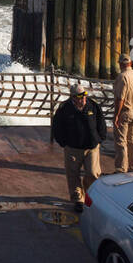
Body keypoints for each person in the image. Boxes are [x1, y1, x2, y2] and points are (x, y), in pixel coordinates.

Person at [50, 83, 106, 211]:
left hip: (91, 147)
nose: (83, 99)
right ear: (73, 97)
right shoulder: (64, 108)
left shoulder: (93, 105)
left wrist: (100, 138)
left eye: (84, 95)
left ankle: (90, 196)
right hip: (73, 149)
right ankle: (78, 200)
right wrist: (63, 143)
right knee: (73, 174)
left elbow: (101, 122)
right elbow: (57, 127)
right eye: (80, 96)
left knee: (92, 173)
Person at [112, 54, 133, 173]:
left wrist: (116, 115)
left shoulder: (122, 77)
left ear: (120, 64)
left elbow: (120, 98)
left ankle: (121, 169)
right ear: (131, 64)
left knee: (121, 141)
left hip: (125, 112)